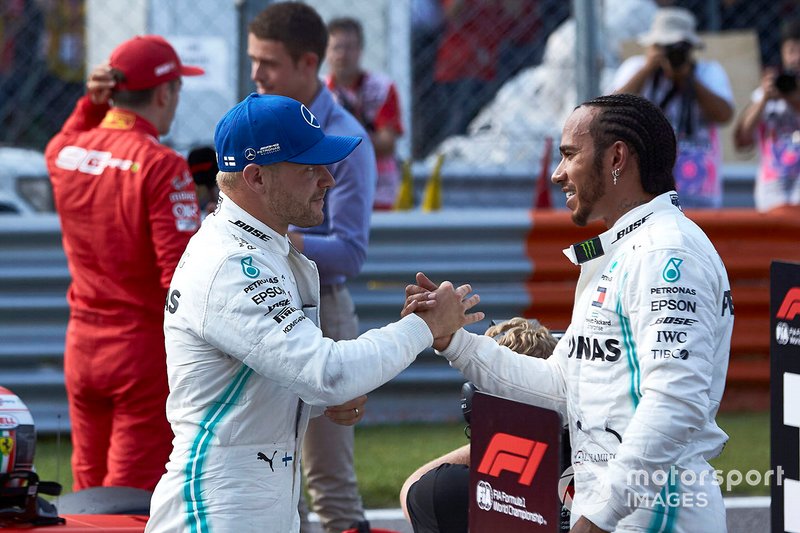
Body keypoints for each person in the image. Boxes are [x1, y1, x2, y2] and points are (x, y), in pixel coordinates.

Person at [143, 93, 483, 533]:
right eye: (309, 168)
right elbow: (327, 372)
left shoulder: (264, 250)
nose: (328, 179)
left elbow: (279, 379)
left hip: (248, 502)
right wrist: (423, 328)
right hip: (214, 511)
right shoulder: (233, 264)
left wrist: (321, 402)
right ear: (256, 178)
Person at [406, 93, 734, 532]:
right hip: (618, 512)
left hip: (657, 516)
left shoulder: (666, 252)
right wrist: (454, 342)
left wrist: (599, 516)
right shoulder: (624, 251)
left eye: (569, 154)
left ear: (617, 157)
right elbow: (560, 387)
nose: (558, 173)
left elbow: (675, 401)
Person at [44, 35, 204, 492]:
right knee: (128, 506)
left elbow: (69, 136)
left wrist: (92, 105)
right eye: (177, 89)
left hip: (81, 350)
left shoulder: (63, 153)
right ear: (162, 93)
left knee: (87, 498)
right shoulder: (162, 165)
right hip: (141, 354)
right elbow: (180, 278)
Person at [247, 4, 378, 532]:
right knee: (269, 474)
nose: (256, 75)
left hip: (322, 309)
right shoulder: (253, 119)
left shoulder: (347, 138)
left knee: (329, 484)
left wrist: (274, 231)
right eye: (253, 61)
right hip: (256, 306)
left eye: (268, 63)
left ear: (307, 64)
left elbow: (349, 251)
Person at [400, 318, 559, 533]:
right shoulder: (604, 475)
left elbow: (411, 489)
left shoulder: (447, 490)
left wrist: (489, 438)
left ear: (476, 398)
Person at [612, 7, 734, 208]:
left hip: (698, 186)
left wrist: (688, 79)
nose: (671, 54)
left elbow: (724, 114)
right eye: (664, 47)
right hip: (646, 186)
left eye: (677, 48)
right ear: (652, 46)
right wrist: (648, 68)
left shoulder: (708, 72)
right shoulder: (636, 68)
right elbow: (612, 109)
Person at [325, 17, 405, 211]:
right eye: (337, 48)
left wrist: (338, 141)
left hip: (379, 189)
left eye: (350, 47)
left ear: (360, 50)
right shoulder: (318, 91)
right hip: (333, 190)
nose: (343, 55)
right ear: (325, 52)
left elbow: (387, 145)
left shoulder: (382, 87)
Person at [733, 17, 800, 214]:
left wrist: (792, 99)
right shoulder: (769, 91)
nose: (796, 58)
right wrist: (764, 98)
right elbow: (742, 140)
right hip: (772, 194)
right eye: (791, 50)